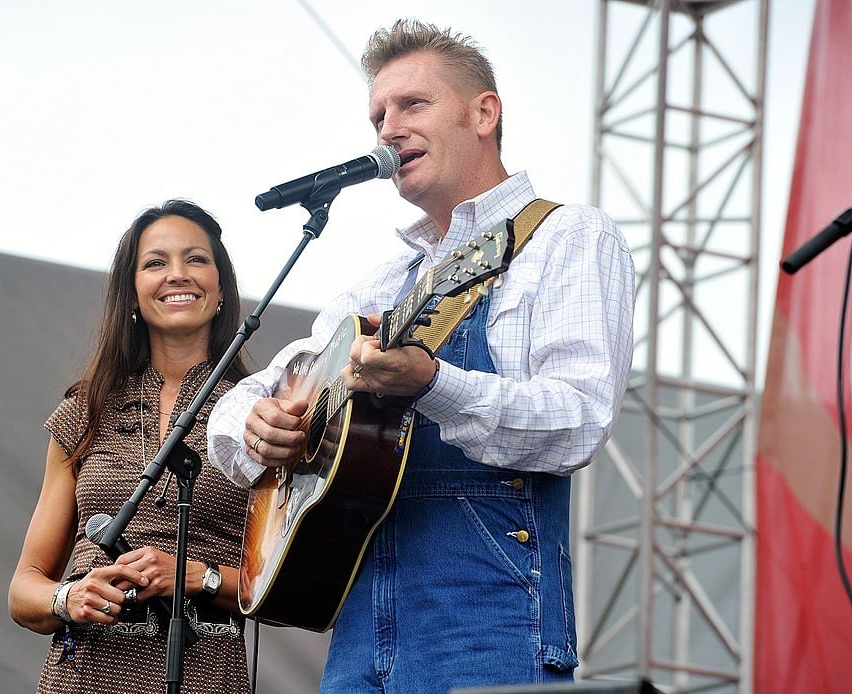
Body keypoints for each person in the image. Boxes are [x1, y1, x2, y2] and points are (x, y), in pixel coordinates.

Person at [207, 19, 635, 693]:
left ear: (483, 112)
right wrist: (260, 427)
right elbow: (239, 401)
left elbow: (577, 421)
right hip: (357, 633)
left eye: (412, 105)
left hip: (491, 621)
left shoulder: (566, 237)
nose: (387, 128)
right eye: (378, 114)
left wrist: (434, 384)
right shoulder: (380, 284)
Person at [9, 200, 252, 694]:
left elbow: (291, 594)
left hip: (204, 677)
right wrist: (69, 598)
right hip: (81, 676)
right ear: (132, 293)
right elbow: (23, 589)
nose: (177, 275)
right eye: (155, 263)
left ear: (222, 287)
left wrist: (195, 575)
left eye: (196, 259)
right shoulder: (86, 409)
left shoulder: (261, 412)